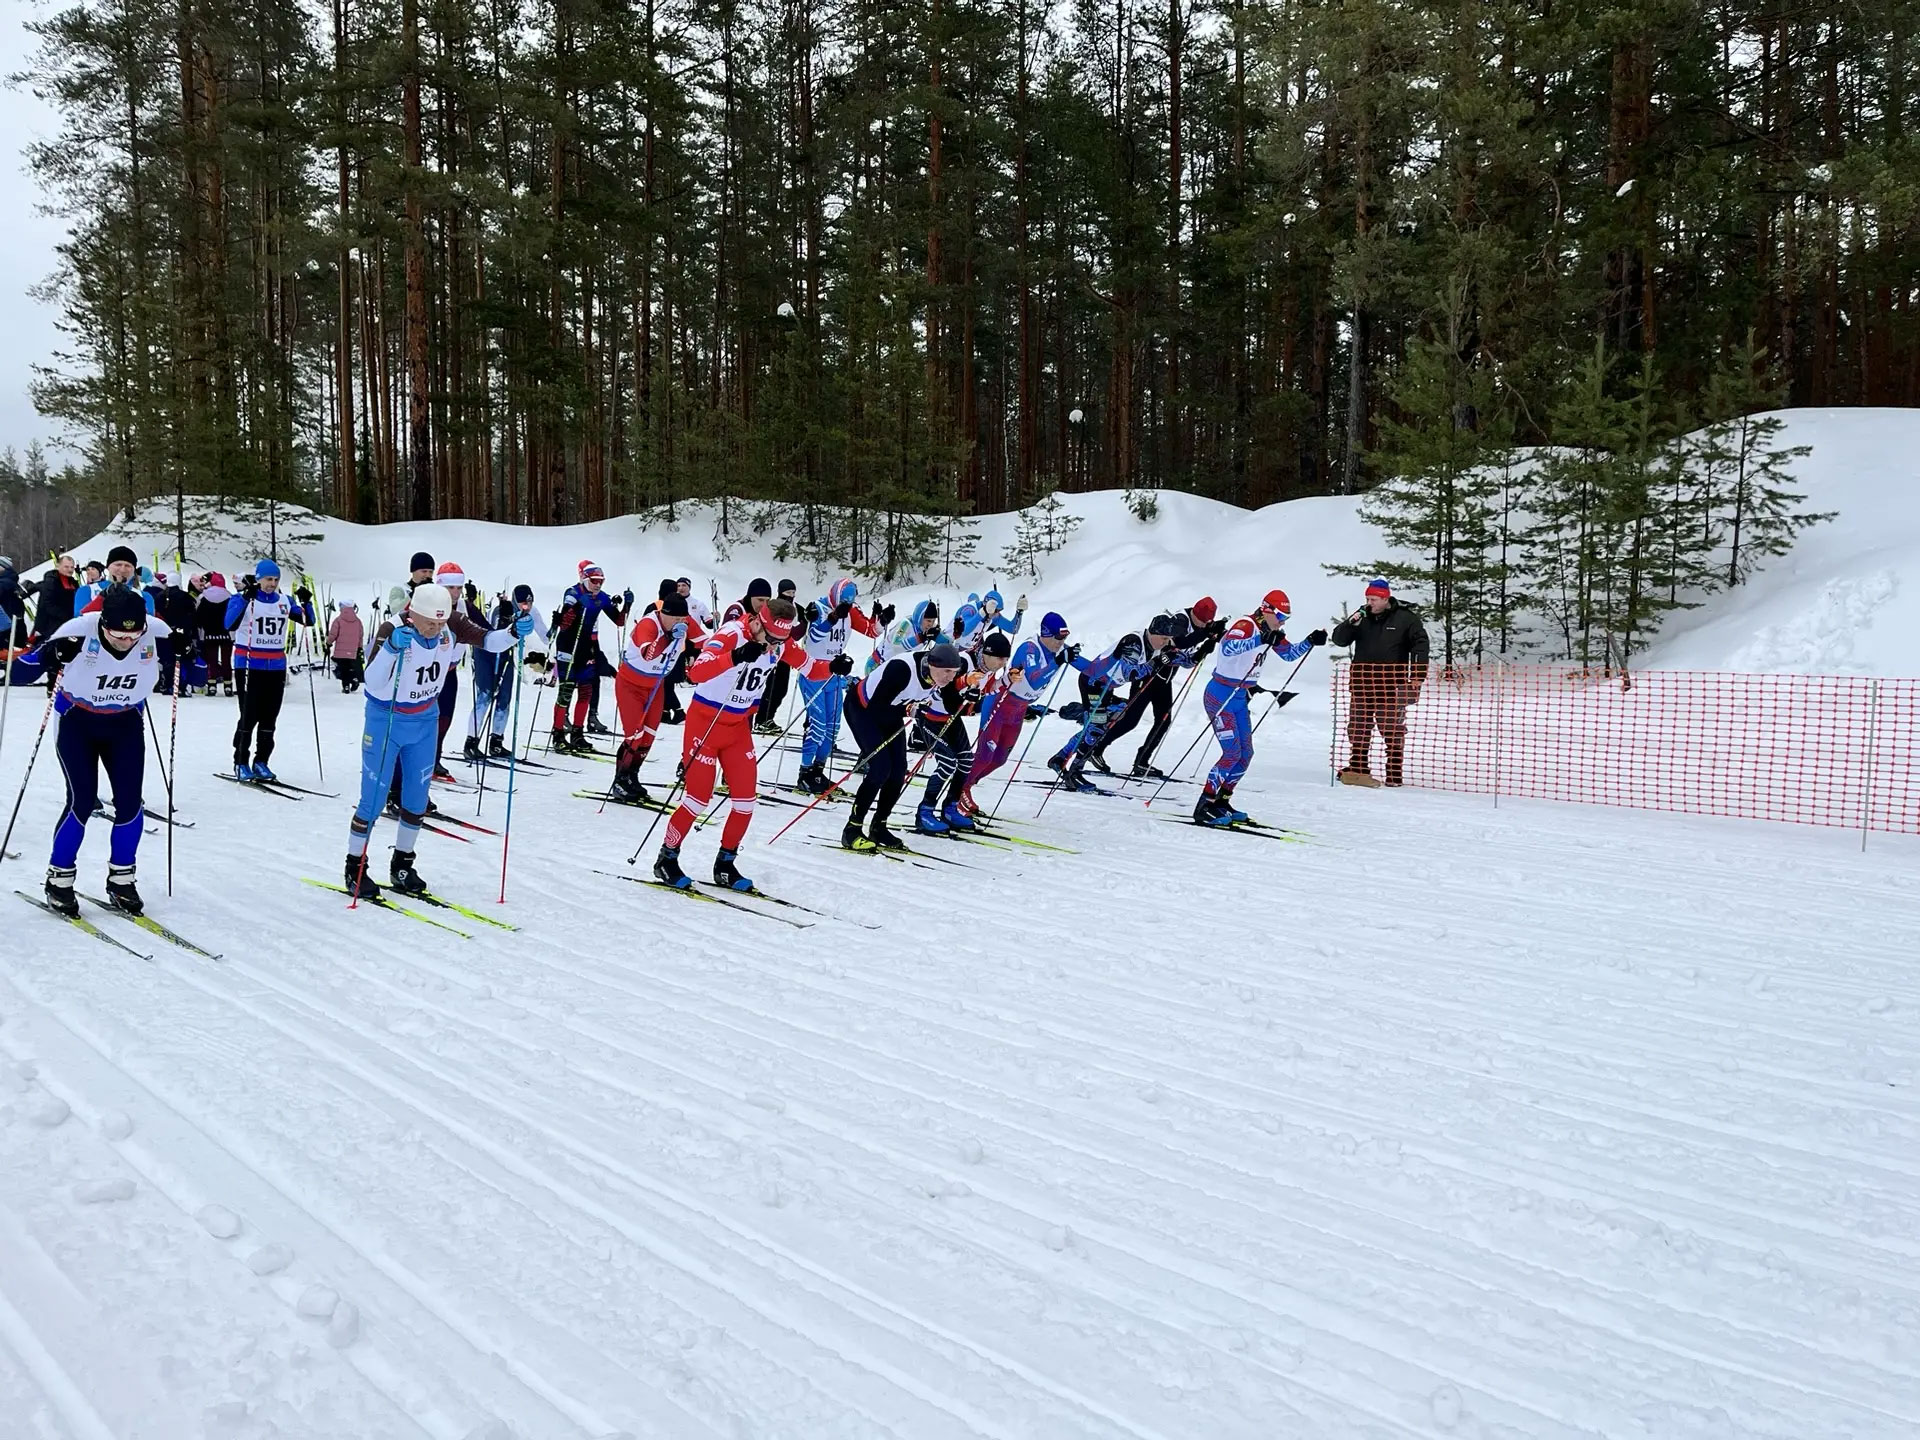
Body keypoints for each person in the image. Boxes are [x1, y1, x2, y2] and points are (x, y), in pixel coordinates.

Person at [345, 584, 535, 900]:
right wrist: (391, 648)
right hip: (387, 721)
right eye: (429, 623)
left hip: (424, 720)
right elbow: (373, 682)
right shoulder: (393, 628)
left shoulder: (452, 624)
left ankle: (402, 864)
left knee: (417, 799)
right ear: (413, 612)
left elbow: (489, 641)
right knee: (373, 800)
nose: (435, 629)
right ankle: (355, 867)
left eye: (440, 622)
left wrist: (514, 632)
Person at [14, 587, 171, 916]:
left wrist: (186, 649)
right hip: (77, 722)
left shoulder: (156, 631)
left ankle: (122, 880)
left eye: (134, 635)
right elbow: (19, 672)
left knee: (130, 803)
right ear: (103, 624)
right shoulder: (77, 630)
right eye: (118, 635)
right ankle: (59, 879)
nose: (127, 642)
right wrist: (50, 654)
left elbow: (196, 669)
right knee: (82, 800)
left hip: (125, 724)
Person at [650, 596, 806, 892]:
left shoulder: (780, 642)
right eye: (771, 638)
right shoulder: (732, 633)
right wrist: (735, 657)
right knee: (698, 799)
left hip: (737, 728)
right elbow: (696, 673)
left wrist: (836, 667)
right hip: (705, 723)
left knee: (746, 802)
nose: (774, 646)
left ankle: (725, 864)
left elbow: (811, 666)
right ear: (758, 622)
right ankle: (666, 858)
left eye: (780, 640)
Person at [1194, 589, 1326, 826]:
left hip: (1239, 697)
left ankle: (1222, 801)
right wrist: (1260, 640)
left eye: (1286, 618)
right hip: (1220, 695)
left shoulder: (1269, 631)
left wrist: (1310, 641)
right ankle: (1205, 804)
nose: (1283, 622)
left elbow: (1289, 655)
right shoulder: (1246, 625)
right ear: (1267, 611)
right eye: (1281, 617)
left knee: (1246, 754)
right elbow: (1227, 647)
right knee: (1231, 753)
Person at [842, 640, 966, 851]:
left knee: (899, 771)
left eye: (954, 673)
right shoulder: (902, 669)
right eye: (947, 671)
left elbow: (950, 705)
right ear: (932, 664)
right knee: (881, 768)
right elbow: (876, 708)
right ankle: (851, 830)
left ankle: (879, 826)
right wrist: (909, 711)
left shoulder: (938, 676)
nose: (950, 677)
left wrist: (971, 697)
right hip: (862, 708)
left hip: (891, 711)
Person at [1089, 597, 1226, 778]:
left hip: (1163, 680)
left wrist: (1205, 648)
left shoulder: (1200, 628)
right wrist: (1205, 634)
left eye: (1206, 623)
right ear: (1194, 612)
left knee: (1163, 721)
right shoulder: (1180, 619)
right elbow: (1179, 643)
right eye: (1201, 621)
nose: (1202, 624)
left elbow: (1186, 661)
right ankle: (1096, 748)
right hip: (1148, 675)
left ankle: (1142, 760)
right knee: (1130, 720)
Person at [963, 611, 1089, 807]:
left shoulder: (1060, 650)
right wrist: (1058, 661)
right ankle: (961, 790)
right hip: (999, 704)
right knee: (985, 756)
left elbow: (1092, 670)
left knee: (999, 759)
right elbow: (1034, 679)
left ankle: (966, 784)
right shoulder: (1029, 648)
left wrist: (1118, 659)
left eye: (1064, 638)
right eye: (1058, 638)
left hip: (1018, 711)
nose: (1061, 643)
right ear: (1046, 634)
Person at [1331, 577, 1431, 788]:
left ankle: (1394, 771)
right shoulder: (1361, 616)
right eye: (1367, 599)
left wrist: (1417, 675)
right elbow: (1339, 640)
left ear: (1385, 599)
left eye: (1374, 599)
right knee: (1358, 727)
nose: (1370, 603)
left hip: (1391, 684)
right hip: (1361, 683)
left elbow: (1421, 645)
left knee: (1391, 727)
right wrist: (1351, 622)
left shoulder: (1406, 618)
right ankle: (1358, 767)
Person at [226, 559, 316, 781]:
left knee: (270, 717)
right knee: (249, 715)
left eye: (276, 580)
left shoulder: (284, 600)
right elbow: (229, 624)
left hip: (275, 666)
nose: (272, 584)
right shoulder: (243, 598)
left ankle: (261, 761)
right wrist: (245, 598)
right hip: (249, 664)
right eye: (268, 579)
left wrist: (306, 602)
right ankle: (240, 761)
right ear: (258, 579)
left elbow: (308, 621)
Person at [1046, 625, 1166, 790]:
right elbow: (1131, 674)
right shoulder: (1134, 643)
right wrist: (1154, 663)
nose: (1165, 642)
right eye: (1164, 638)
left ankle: (1060, 759)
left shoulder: (1152, 645)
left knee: (1103, 722)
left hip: (1104, 687)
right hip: (1093, 685)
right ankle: (1074, 773)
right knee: (1095, 730)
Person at [792, 577, 883, 794]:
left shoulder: (850, 611)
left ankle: (818, 770)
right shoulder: (819, 607)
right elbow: (814, 636)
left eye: (849, 602)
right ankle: (804, 773)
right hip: (813, 673)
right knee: (817, 725)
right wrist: (832, 618)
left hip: (834, 673)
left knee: (832, 727)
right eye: (843, 602)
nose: (846, 606)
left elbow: (871, 631)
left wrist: (880, 619)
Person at [608, 587, 698, 802]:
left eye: (683, 619)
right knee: (635, 735)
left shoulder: (684, 623)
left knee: (648, 736)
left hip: (655, 686)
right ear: (664, 614)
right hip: (631, 685)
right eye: (675, 618)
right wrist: (668, 638)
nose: (680, 623)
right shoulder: (649, 624)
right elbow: (648, 654)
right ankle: (620, 780)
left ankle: (632, 777)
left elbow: (707, 640)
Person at [915, 633, 1009, 834]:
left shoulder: (987, 668)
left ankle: (951, 808)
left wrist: (1007, 680)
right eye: (1000, 658)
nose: (1003, 663)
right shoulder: (964, 662)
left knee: (966, 761)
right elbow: (946, 692)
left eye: (1006, 659)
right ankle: (924, 812)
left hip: (951, 718)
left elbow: (987, 689)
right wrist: (966, 689)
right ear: (987, 654)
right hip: (931, 716)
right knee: (948, 764)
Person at [549, 560, 631, 752]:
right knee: (566, 692)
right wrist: (576, 607)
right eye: (594, 580)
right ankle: (558, 734)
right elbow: (564, 624)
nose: (598, 584)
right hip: (568, 646)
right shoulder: (573, 593)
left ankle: (578, 734)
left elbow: (619, 621)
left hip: (586, 647)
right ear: (585, 579)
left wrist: (627, 604)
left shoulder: (601, 597)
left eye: (601, 581)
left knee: (586, 691)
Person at [465, 585, 544, 759]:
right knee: (485, 696)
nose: (527, 606)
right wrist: (505, 621)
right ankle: (471, 743)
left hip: (507, 655)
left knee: (504, 699)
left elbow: (545, 636)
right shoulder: (499, 608)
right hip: (486, 654)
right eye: (523, 603)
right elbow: (492, 632)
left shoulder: (531, 612)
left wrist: (558, 626)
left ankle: (496, 742)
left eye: (530, 603)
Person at [754, 578, 802, 734]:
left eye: (793, 592)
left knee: (781, 689)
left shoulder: (796, 609)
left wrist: (806, 620)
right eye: (788, 592)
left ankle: (768, 718)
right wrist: (803, 624)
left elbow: (797, 634)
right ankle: (761, 719)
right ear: (781, 592)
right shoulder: (774, 607)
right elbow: (792, 633)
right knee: (772, 687)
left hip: (786, 652)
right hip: (772, 651)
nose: (791, 595)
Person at [196, 572, 235, 696]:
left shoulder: (204, 597)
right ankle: (228, 686)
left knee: (211, 660)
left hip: (209, 633)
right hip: (226, 634)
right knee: (226, 660)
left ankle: (212, 685)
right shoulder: (229, 597)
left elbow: (198, 616)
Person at [159, 574, 199, 693]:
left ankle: (167, 684)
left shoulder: (159, 596)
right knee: (182, 659)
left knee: (167, 659)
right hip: (182, 633)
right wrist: (193, 633)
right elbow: (192, 617)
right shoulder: (186, 597)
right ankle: (181, 685)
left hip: (164, 632)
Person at [328, 599, 367, 692]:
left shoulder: (338, 620)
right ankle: (354, 678)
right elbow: (360, 636)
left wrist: (329, 642)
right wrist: (359, 647)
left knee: (343, 669)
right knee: (351, 667)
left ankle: (346, 686)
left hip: (340, 651)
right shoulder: (358, 621)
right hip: (353, 650)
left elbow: (333, 634)